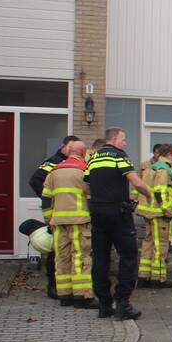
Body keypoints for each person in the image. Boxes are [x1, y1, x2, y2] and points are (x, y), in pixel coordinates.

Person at [85, 127, 150, 320]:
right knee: (128, 256)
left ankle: (104, 305)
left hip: (97, 213)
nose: (125, 142)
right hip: (118, 214)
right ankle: (123, 304)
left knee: (101, 258)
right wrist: (150, 195)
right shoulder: (119, 156)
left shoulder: (94, 159)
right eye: (123, 139)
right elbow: (136, 182)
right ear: (113, 139)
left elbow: (87, 183)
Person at [40, 141, 97, 310]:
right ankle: (82, 296)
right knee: (80, 257)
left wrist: (48, 220)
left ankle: (64, 295)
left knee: (62, 257)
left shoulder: (54, 171)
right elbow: (91, 197)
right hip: (79, 222)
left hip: (58, 222)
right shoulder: (84, 170)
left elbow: (46, 198)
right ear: (83, 152)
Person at [29, 134, 80, 299]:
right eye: (70, 148)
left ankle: (67, 286)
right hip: (57, 215)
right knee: (56, 251)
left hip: (70, 215)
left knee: (68, 252)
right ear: (64, 147)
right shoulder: (54, 162)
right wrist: (50, 200)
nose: (72, 151)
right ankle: (53, 285)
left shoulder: (71, 162)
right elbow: (35, 180)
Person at [136, 144, 172, 288]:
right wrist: (168, 210)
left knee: (148, 243)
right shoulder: (163, 169)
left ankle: (143, 276)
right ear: (168, 154)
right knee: (160, 245)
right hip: (159, 213)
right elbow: (161, 193)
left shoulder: (150, 168)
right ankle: (158, 278)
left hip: (148, 212)